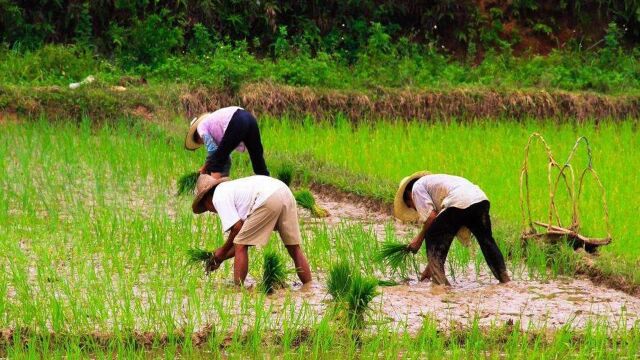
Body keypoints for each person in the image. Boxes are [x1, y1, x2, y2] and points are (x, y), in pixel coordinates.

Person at [192, 174, 312, 286]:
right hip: (284, 191)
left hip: (267, 197)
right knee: (294, 247)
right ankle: (309, 287)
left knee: (240, 243)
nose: (210, 211)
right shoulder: (232, 190)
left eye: (205, 208)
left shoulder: (218, 197)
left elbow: (238, 234)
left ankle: (238, 289)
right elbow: (245, 239)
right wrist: (219, 257)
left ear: (206, 199)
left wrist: (221, 252)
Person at [394, 171, 510, 286]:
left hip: (459, 200)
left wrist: (418, 240)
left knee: (432, 234)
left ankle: (440, 285)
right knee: (487, 241)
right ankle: (505, 280)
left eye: (410, 206)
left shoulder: (416, 189)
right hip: (480, 199)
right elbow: (445, 238)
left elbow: (431, 217)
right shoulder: (435, 184)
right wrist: (430, 268)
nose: (414, 208)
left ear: (409, 196)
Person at [185, 106, 269, 178]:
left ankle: (215, 192)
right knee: (259, 164)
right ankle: (269, 188)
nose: (203, 143)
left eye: (201, 142)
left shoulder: (201, 128)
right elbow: (224, 156)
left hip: (237, 120)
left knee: (216, 165)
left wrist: (204, 168)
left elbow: (213, 152)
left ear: (197, 136)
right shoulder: (213, 126)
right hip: (250, 118)